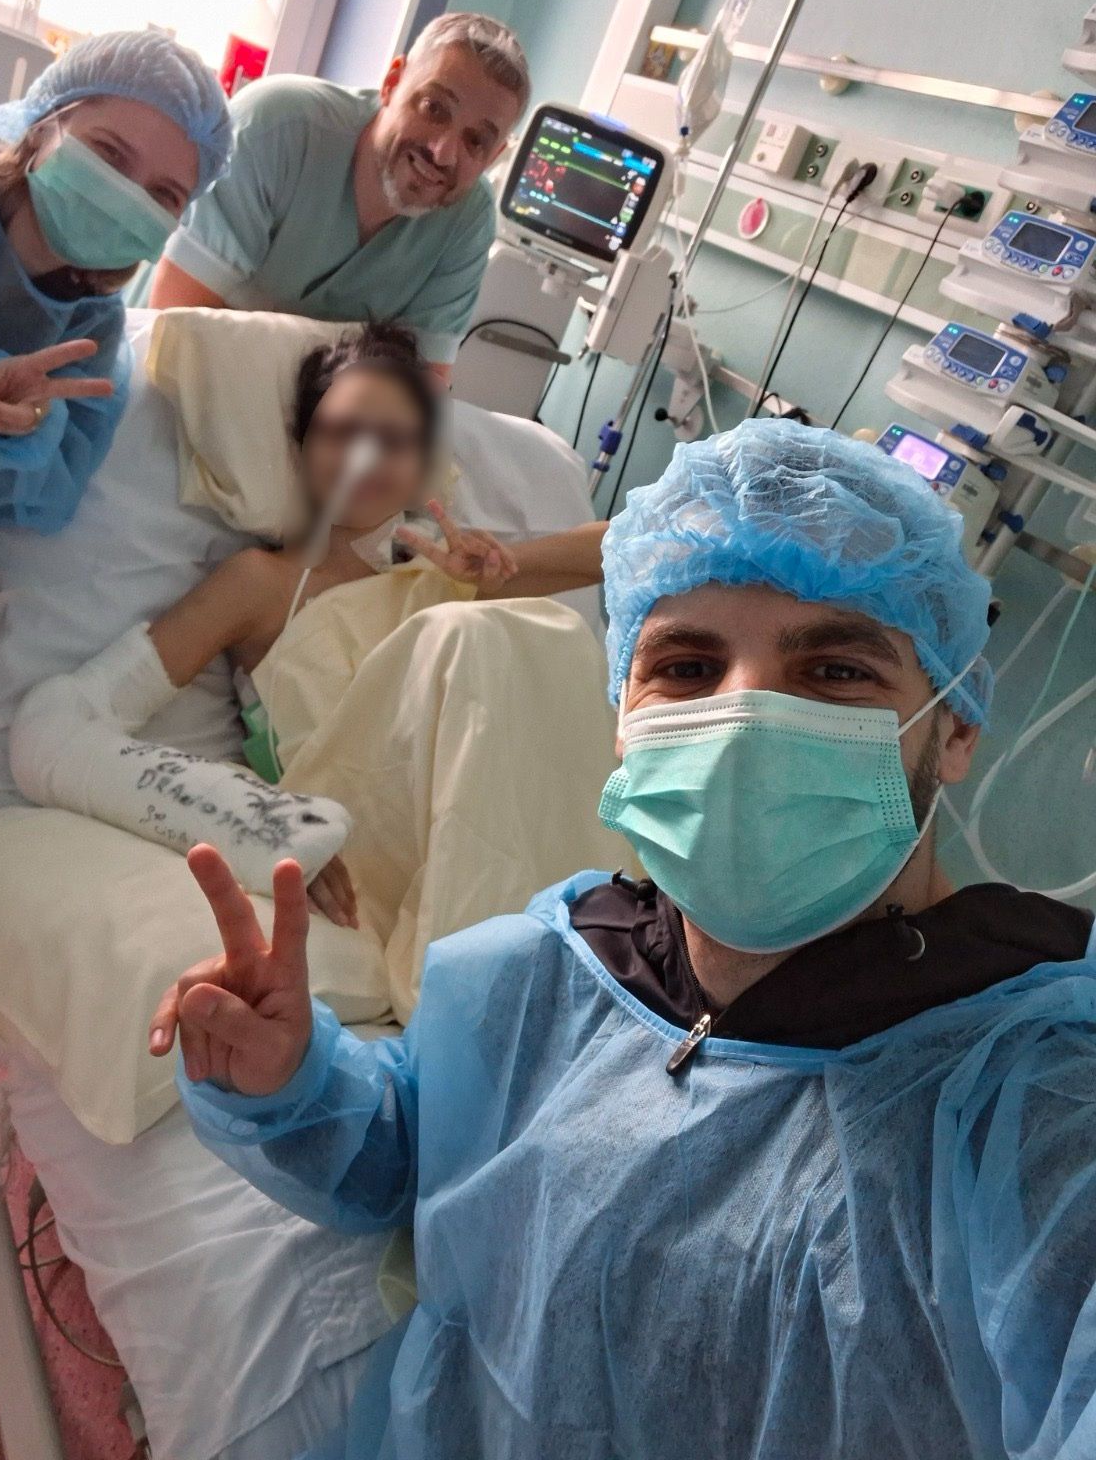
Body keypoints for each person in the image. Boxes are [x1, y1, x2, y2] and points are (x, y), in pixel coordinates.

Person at [156, 420, 1096, 1459]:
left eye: (835, 671)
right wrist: (291, 1079)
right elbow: (419, 1159)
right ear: (622, 718)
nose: (742, 721)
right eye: (687, 666)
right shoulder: (549, 967)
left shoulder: (1041, 1091)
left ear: (955, 730)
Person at [10, 322, 610, 937]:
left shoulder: (449, 578)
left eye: (393, 440)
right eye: (343, 432)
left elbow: (634, 544)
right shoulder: (257, 585)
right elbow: (52, 726)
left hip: (499, 816)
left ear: (422, 467)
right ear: (301, 448)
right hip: (372, 856)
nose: (364, 457)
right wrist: (270, 825)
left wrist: (508, 567)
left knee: (548, 632)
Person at [0, 29, 231, 699]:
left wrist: (6, 429)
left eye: (164, 195)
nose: (125, 194)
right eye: (109, 154)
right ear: (48, 122)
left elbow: (19, 501)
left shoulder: (89, 335)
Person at [144, 13, 529, 381]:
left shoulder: (467, 220)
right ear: (392, 82)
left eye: (476, 141)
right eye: (434, 108)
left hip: (311, 411)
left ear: (493, 156)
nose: (443, 153)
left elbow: (419, 387)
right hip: (168, 373)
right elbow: (175, 323)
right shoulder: (277, 127)